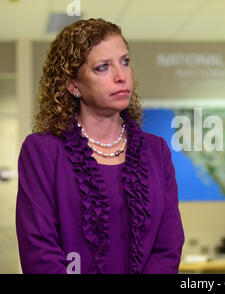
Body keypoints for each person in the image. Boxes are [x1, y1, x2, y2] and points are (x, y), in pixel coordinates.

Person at [15, 18, 184, 274]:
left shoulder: (156, 151)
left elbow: (168, 247)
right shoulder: (42, 151)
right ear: (73, 85)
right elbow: (39, 251)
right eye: (103, 67)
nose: (121, 76)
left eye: (124, 62)